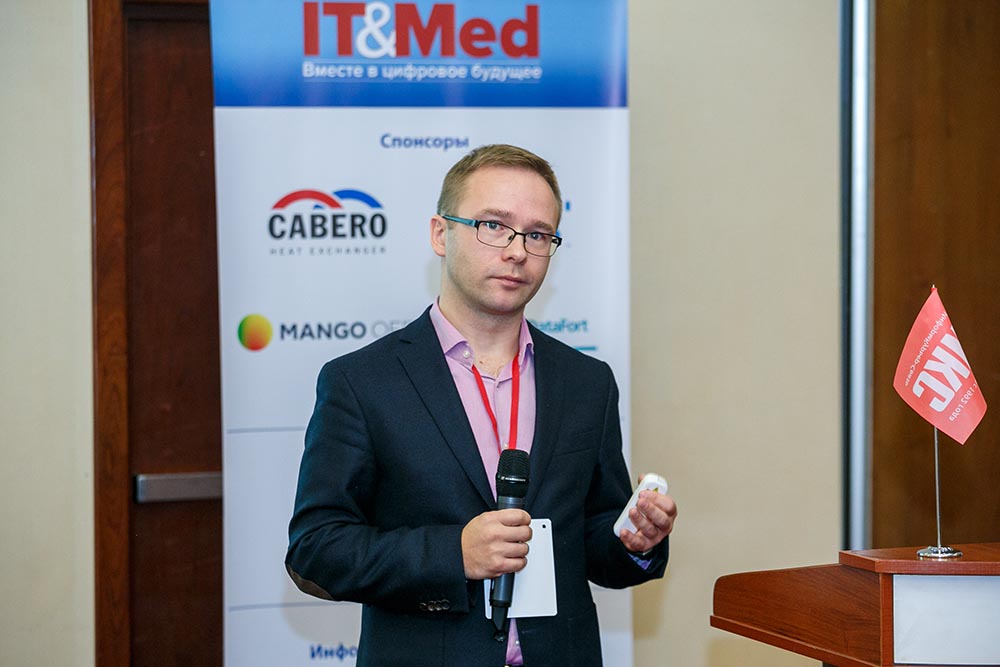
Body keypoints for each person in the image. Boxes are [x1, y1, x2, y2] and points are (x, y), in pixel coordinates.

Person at [286, 144, 677, 666]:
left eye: (537, 234)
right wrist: (455, 554)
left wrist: (634, 541)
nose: (517, 251)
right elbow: (316, 550)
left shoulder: (587, 383)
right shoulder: (362, 382)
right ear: (440, 234)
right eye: (493, 225)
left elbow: (591, 542)